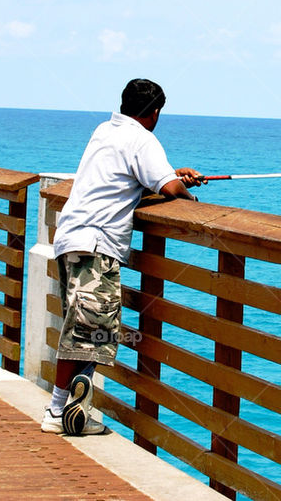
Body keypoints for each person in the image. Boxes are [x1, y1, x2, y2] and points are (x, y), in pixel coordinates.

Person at [41, 78, 203, 436]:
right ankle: (56, 411)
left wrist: (173, 176)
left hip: (71, 236)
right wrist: (187, 195)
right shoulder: (142, 139)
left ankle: (75, 410)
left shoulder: (106, 130)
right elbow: (169, 189)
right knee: (87, 331)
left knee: (90, 328)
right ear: (156, 112)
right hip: (96, 243)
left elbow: (131, 175)